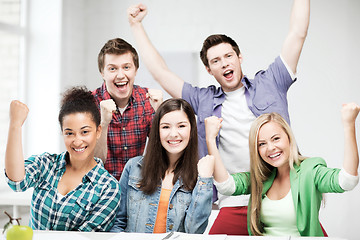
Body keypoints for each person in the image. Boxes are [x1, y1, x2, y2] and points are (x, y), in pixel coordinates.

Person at [127, 0, 310, 235]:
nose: (224, 63)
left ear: (239, 57)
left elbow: (298, 34)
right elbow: (161, 72)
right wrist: (136, 25)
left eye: (228, 56)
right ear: (209, 70)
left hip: (280, 195)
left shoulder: (272, 82)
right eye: (215, 61)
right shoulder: (203, 100)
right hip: (234, 199)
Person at [204, 103, 360, 236]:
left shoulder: (310, 170)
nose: (270, 148)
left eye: (276, 138)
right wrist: (211, 139)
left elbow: (347, 180)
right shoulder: (260, 178)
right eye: (262, 144)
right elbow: (226, 185)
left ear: (289, 138)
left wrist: (349, 125)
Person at [5, 86, 121, 231]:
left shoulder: (108, 188)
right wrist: (15, 125)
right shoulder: (46, 164)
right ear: (62, 133)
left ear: (98, 131)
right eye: (69, 133)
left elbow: (86, 236)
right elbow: (17, 182)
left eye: (84, 132)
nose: (77, 141)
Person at [111, 98, 214, 233]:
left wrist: (205, 181)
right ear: (157, 131)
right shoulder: (134, 167)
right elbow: (118, 223)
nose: (173, 134)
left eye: (181, 126)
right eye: (165, 127)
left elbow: (194, 232)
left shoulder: (200, 176)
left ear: (191, 130)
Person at [93, 37, 163, 180]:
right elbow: (92, 163)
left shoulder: (148, 100)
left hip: (137, 187)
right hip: (101, 189)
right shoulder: (90, 103)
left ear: (135, 70)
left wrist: (161, 114)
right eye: (112, 68)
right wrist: (104, 124)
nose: (120, 75)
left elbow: (161, 153)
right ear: (102, 72)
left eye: (126, 67)